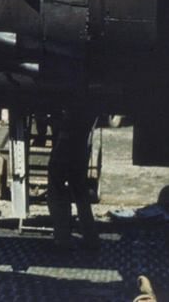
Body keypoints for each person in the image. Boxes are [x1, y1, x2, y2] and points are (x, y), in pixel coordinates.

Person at [46, 104, 99, 249]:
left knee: (56, 187)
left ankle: (63, 237)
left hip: (67, 138)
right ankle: (90, 237)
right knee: (79, 189)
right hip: (79, 142)